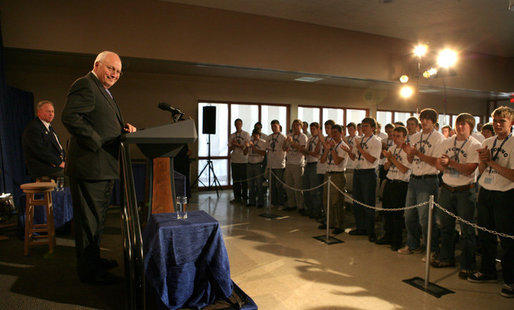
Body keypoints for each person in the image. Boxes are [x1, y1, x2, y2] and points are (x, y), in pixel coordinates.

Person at [62, 51, 137, 284]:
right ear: (97, 64)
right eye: (111, 68)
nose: (115, 74)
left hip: (102, 167)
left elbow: (101, 122)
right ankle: (88, 272)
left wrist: (122, 130)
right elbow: (70, 117)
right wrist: (97, 142)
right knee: (88, 222)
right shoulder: (85, 84)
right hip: (90, 165)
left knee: (97, 220)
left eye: (118, 71)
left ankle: (93, 261)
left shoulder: (105, 92)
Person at [469, 106, 514, 298]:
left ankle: (511, 280)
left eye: (501, 121)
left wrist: (491, 163)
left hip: (506, 194)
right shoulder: (488, 141)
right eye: (495, 120)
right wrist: (483, 162)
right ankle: (488, 271)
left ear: (510, 123)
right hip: (486, 191)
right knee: (485, 234)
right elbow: (481, 169)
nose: (497, 124)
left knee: (506, 238)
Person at [434, 113, 481, 279]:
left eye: (464, 125)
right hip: (446, 188)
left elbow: (469, 169)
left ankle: (467, 265)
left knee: (467, 230)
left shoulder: (475, 144)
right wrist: (443, 164)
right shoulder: (446, 142)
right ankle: (446, 258)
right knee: (446, 227)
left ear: (470, 127)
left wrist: (451, 163)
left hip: (465, 190)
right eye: (458, 124)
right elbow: (438, 164)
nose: (460, 127)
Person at [400, 109, 444, 256]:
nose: (424, 121)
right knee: (409, 215)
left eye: (428, 119)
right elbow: (410, 160)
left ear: (433, 121)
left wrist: (417, 153)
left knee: (426, 219)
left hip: (428, 180)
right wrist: (410, 155)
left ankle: (431, 249)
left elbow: (436, 161)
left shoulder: (438, 138)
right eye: (423, 119)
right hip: (414, 178)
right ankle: (412, 244)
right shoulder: (415, 137)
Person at [344, 117, 382, 242]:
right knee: (357, 202)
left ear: (372, 128)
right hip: (358, 172)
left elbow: (372, 159)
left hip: (368, 174)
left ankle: (370, 231)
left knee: (368, 203)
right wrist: (349, 151)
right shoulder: (358, 140)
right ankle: (360, 227)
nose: (363, 128)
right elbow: (355, 157)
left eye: (366, 126)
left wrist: (360, 148)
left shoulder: (376, 141)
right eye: (362, 126)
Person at [378, 126, 411, 251]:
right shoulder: (391, 148)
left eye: (398, 136)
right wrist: (388, 160)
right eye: (394, 136)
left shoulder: (407, 150)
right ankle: (388, 235)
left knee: (397, 214)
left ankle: (397, 240)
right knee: (387, 211)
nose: (395, 139)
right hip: (390, 181)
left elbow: (404, 169)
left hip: (401, 184)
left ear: (404, 137)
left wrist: (392, 158)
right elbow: (386, 168)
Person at [23, 100, 65, 181]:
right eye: (48, 111)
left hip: (53, 165)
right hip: (43, 168)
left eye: (53, 111)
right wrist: (59, 163)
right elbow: (40, 151)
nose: (51, 114)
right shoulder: (33, 128)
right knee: (71, 175)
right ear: (39, 112)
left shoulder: (49, 128)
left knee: (77, 170)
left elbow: (58, 147)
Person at [320, 125, 348, 234]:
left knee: (336, 201)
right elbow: (322, 160)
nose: (333, 135)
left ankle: (339, 225)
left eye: (336, 132)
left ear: (341, 133)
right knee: (326, 199)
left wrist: (331, 149)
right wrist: (327, 149)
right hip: (328, 174)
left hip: (338, 175)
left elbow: (337, 161)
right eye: (332, 132)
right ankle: (329, 222)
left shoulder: (343, 146)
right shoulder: (330, 143)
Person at [283, 119, 308, 212]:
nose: (295, 127)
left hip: (298, 164)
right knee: (289, 186)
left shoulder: (303, 137)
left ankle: (300, 206)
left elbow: (302, 149)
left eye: (297, 125)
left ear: (301, 126)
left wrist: (292, 142)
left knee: (298, 187)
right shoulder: (289, 136)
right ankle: (291, 204)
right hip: (289, 163)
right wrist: (285, 143)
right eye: (294, 125)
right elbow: (284, 148)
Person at [301, 122, 323, 219]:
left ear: (318, 129)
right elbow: (306, 153)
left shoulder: (321, 139)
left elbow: (316, 153)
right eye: (311, 129)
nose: (312, 130)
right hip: (308, 163)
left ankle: (316, 210)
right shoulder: (309, 139)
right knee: (306, 188)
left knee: (315, 190)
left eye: (314, 129)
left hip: (316, 164)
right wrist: (306, 152)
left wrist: (309, 152)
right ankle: (309, 208)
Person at [229, 118, 251, 206]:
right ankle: (237, 197)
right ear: (235, 125)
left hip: (244, 161)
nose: (238, 125)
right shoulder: (232, 135)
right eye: (236, 124)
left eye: (239, 124)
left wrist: (238, 145)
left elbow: (246, 148)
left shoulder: (246, 134)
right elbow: (229, 149)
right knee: (236, 181)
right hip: (234, 160)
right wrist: (233, 146)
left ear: (241, 125)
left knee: (244, 181)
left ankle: (245, 198)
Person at [266, 120, 287, 208]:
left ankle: (281, 203)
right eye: (272, 126)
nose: (273, 128)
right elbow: (267, 149)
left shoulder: (283, 137)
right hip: (271, 164)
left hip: (279, 164)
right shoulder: (269, 137)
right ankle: (273, 202)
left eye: (275, 126)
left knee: (279, 185)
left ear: (279, 126)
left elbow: (285, 148)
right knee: (272, 185)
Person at [245, 129, 266, 208]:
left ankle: (260, 201)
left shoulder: (263, 142)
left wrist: (253, 147)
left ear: (259, 135)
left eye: (256, 135)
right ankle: (251, 201)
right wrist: (247, 147)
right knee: (250, 184)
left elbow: (263, 153)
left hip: (258, 164)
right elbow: (244, 152)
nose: (254, 136)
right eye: (253, 135)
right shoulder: (249, 141)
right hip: (249, 164)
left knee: (259, 184)